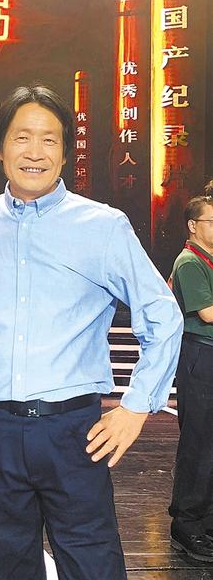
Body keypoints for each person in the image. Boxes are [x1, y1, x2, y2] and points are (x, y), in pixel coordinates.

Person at [0, 84, 183, 580]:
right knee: (5, 565)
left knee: (92, 564)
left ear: (65, 152)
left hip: (72, 431)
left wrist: (137, 408)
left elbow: (163, 315)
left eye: (49, 139)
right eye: (22, 137)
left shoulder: (103, 226)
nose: (35, 152)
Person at [168, 194, 213, 562]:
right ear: (193, 226)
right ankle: (186, 525)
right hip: (200, 356)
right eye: (211, 221)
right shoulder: (190, 261)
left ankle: (206, 523)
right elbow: (208, 313)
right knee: (198, 442)